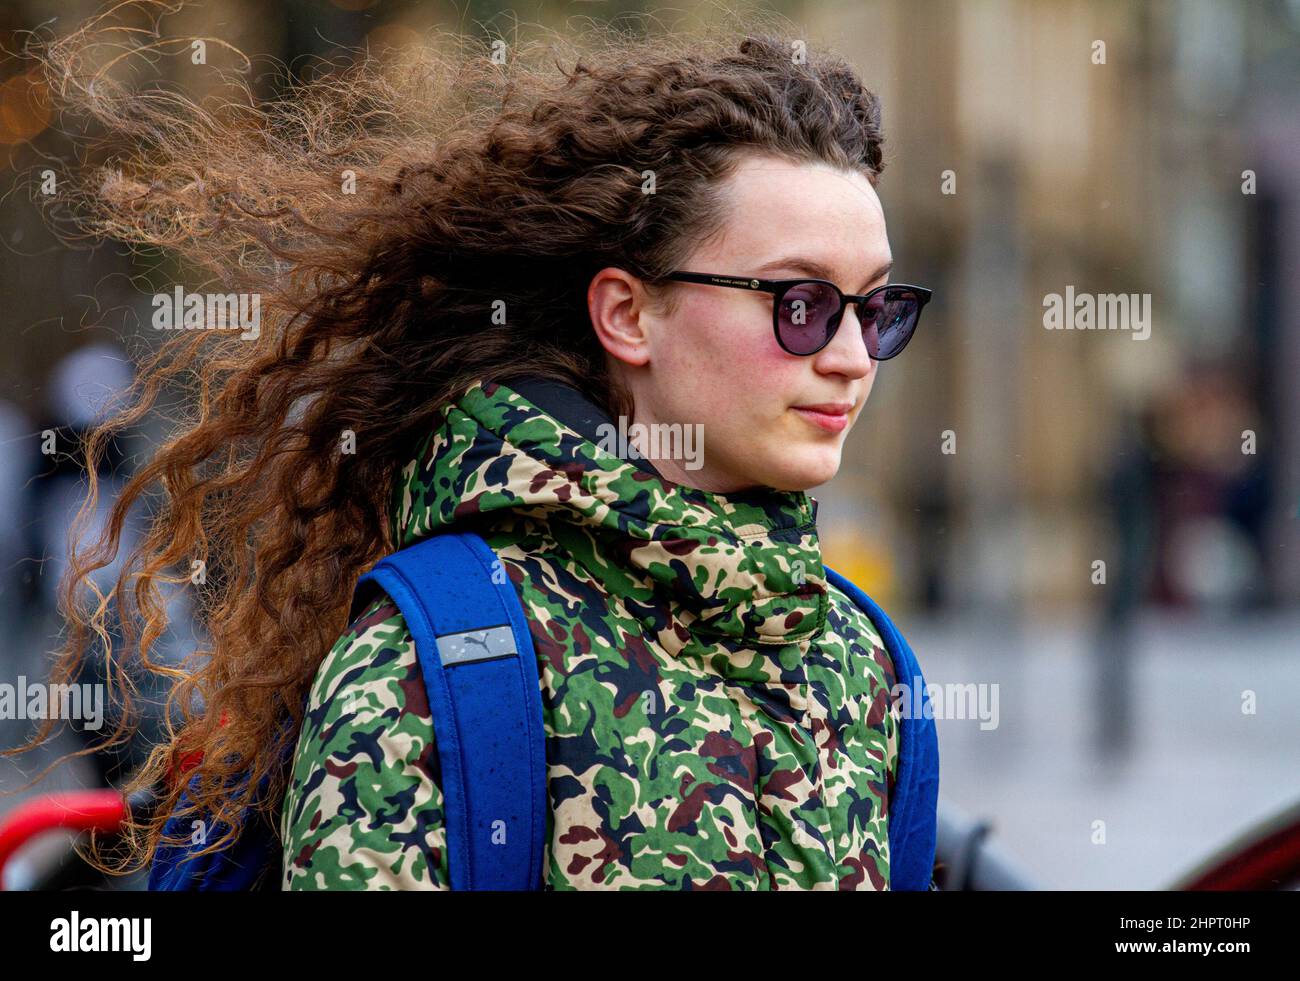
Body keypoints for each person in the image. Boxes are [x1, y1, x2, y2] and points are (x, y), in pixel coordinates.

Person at [17, 13, 936, 890]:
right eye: (801, 305)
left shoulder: (864, 659)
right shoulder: (442, 667)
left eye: (874, 309)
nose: (852, 358)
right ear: (627, 313)